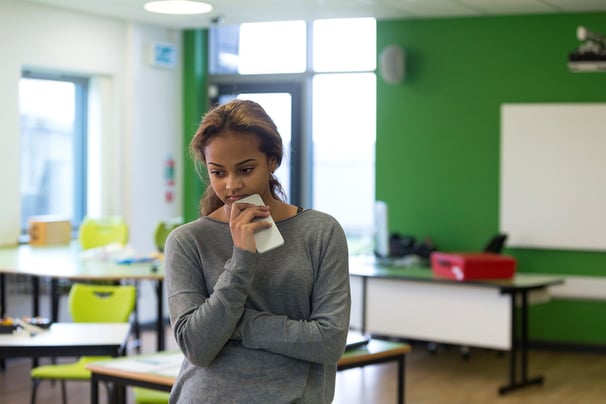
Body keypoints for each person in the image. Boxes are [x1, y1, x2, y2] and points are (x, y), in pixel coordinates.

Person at [165, 99, 351, 403]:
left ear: (273, 160)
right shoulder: (187, 241)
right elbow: (197, 347)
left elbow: (329, 343)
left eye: (246, 169)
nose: (231, 186)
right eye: (218, 172)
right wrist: (242, 257)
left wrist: (240, 325)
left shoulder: (320, 232)